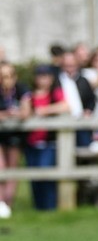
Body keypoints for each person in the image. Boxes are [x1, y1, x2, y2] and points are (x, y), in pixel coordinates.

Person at [25, 64, 70, 211]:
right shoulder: (29, 96)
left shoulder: (55, 94)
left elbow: (65, 106)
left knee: (46, 173)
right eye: (40, 76)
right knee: (34, 176)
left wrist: (44, 110)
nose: (43, 79)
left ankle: (50, 206)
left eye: (46, 76)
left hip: (48, 143)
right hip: (32, 142)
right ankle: (38, 207)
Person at [0, 62, 31, 218]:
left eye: (10, 75)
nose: (7, 79)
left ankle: (8, 204)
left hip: (15, 135)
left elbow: (26, 112)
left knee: (12, 169)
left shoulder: (21, 89)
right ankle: (1, 202)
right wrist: (9, 114)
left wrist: (9, 115)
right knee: (1, 167)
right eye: (3, 76)